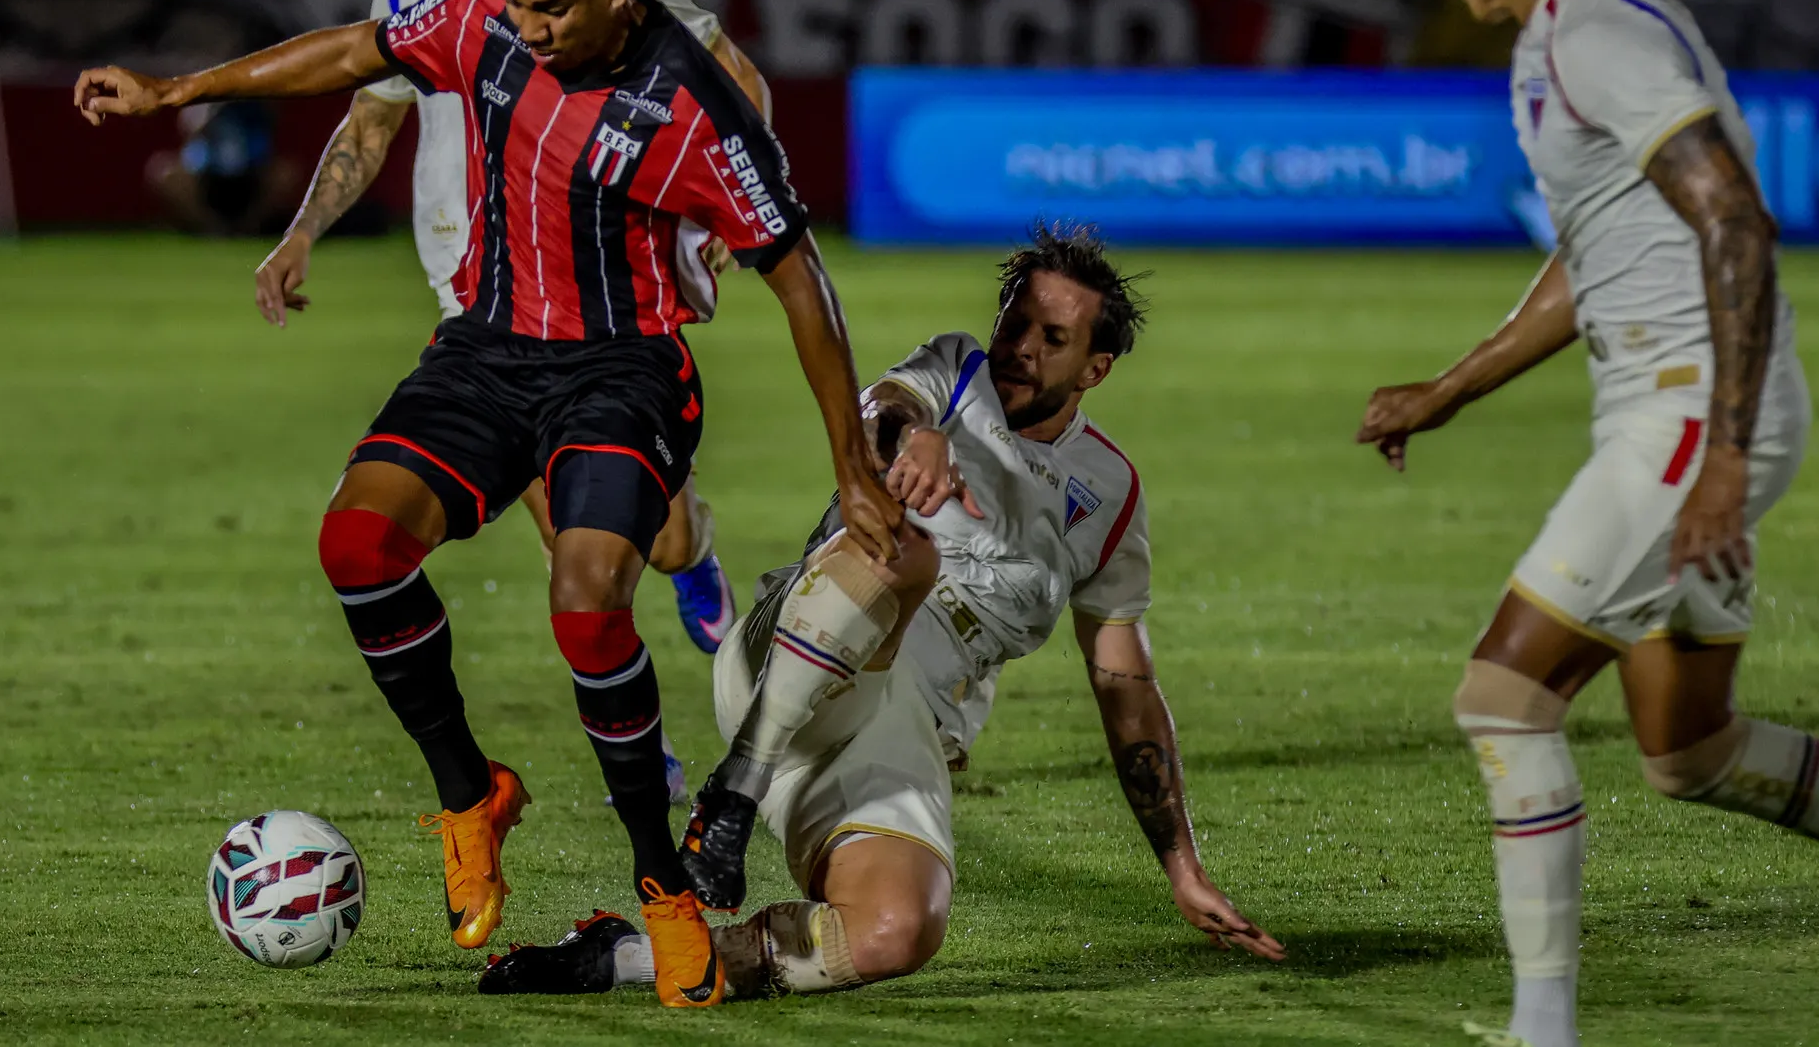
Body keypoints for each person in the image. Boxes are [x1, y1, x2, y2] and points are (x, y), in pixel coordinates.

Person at [73, 0, 904, 1010]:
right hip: (485, 351)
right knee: (356, 546)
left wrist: (850, 467)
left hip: (622, 373)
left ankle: (662, 888)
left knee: (586, 591)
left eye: (556, 6)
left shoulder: (693, 106)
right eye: (518, 1)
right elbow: (354, 54)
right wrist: (176, 88)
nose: (531, 26)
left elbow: (799, 280)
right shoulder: (480, 21)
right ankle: (472, 793)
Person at [482, 225, 1282, 1000]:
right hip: (794, 657)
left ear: (1095, 367)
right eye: (1016, 321)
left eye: (1053, 336)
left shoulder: (1109, 494)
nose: (1022, 347)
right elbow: (878, 406)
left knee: (897, 928)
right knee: (905, 548)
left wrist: (1181, 867)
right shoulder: (955, 372)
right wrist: (916, 436)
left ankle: (625, 956)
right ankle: (735, 790)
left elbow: (1124, 683)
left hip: (901, 735)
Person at [1357, 0, 1819, 1047]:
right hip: (1689, 416)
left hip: (1686, 419)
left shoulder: (1594, 27)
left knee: (1501, 704)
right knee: (1691, 751)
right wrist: (1449, 388)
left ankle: (1542, 1032)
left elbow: (1732, 213)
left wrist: (1720, 460)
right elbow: (1598, 255)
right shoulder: (1581, 22)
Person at [253, 0, 763, 656]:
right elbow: (369, 123)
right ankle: (652, 750)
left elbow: (740, 84)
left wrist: (712, 213)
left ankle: (696, 555)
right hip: (480, 301)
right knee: (568, 549)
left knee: (659, 538)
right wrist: (301, 232)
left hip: (600, 292)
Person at [145, 99, 298, 236]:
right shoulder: (204, 94)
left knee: (286, 173)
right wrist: (215, 107)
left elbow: (272, 120)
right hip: (207, 175)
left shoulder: (256, 102)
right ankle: (211, 229)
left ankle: (247, 229)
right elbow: (189, 129)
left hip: (250, 175)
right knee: (165, 172)